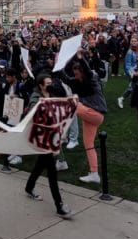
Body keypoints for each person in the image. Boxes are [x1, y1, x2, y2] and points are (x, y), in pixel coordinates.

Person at [23, 73, 73, 219]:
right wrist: (43, 106)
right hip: (42, 139)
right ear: (40, 85)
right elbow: (34, 109)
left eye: (51, 82)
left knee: (40, 164)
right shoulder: (35, 96)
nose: (51, 85)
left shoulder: (52, 93)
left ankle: (29, 187)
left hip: (51, 136)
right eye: (48, 83)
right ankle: (59, 206)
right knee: (52, 172)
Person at [61, 57, 107, 185]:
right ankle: (94, 174)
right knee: (88, 144)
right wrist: (58, 65)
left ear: (83, 72)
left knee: (72, 102)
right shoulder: (77, 82)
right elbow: (65, 78)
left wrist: (81, 59)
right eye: (74, 74)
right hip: (89, 116)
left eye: (77, 73)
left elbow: (88, 71)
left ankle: (62, 133)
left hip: (96, 113)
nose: (76, 76)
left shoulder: (92, 80)